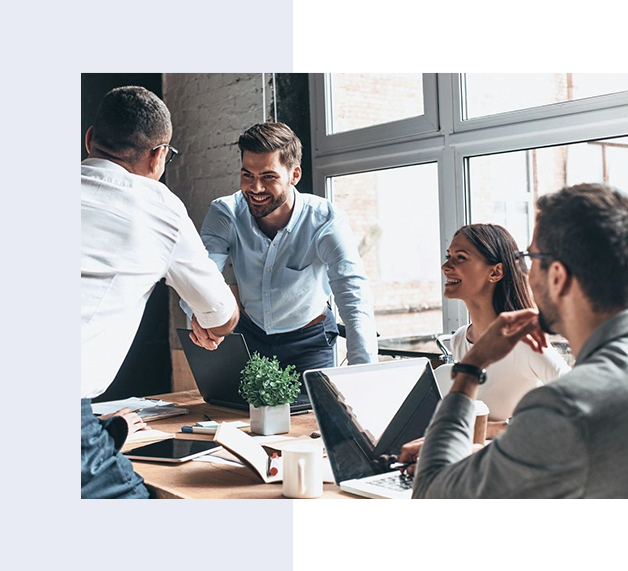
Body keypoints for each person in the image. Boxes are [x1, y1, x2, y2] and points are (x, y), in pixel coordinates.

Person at [400, 183, 628, 499]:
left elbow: (433, 497)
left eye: (529, 258)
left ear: (557, 277)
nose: (524, 272)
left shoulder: (565, 405)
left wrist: (470, 369)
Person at [82, 86, 239, 499]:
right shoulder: (157, 205)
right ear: (158, 156)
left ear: (89, 139)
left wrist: (104, 431)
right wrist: (207, 320)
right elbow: (223, 316)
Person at [183, 122, 378, 383]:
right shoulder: (225, 212)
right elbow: (199, 274)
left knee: (312, 419)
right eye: (247, 175)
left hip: (309, 342)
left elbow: (354, 297)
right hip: (248, 337)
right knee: (233, 417)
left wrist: (364, 376)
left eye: (268, 177)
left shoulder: (325, 220)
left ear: (294, 175)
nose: (256, 188)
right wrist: (199, 314)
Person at [442, 223, 570, 432]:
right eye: (449, 256)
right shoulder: (460, 339)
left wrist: (493, 428)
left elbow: (580, 401)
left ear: (496, 272)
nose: (446, 266)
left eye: (461, 257)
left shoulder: (523, 342)